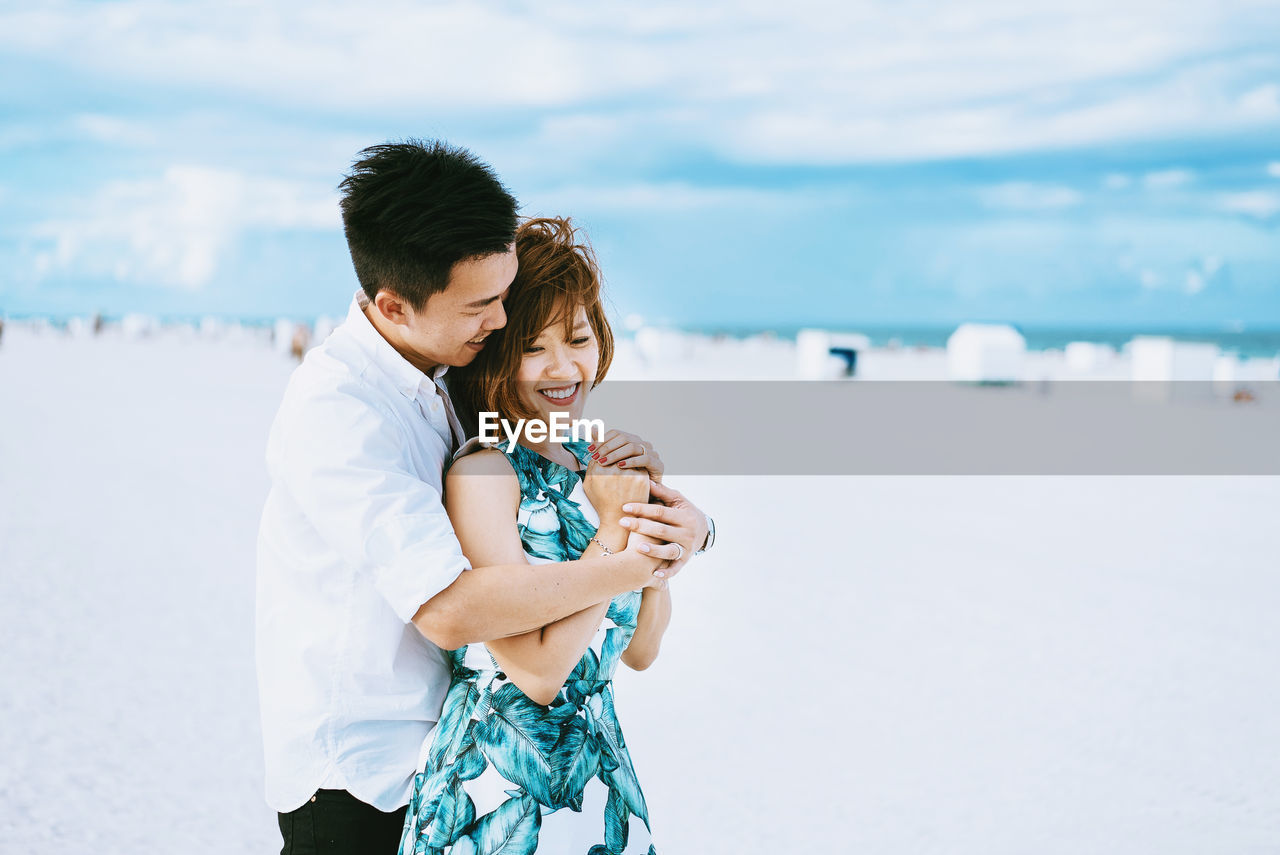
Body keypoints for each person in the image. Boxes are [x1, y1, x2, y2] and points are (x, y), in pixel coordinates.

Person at [256, 140, 714, 855]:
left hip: (490, 761)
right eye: (484, 306)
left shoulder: (447, 381)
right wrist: (625, 548)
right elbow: (448, 608)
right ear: (394, 305)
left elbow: (547, 463)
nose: (500, 321)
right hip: (362, 778)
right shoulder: (340, 409)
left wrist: (688, 525)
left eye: (505, 296)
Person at [399, 218, 672, 854]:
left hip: (599, 770)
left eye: (578, 339)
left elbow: (641, 650)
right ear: (495, 354)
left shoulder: (589, 465)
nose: (562, 366)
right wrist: (611, 532)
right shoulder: (483, 472)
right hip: (500, 782)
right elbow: (537, 673)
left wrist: (653, 528)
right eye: (532, 347)